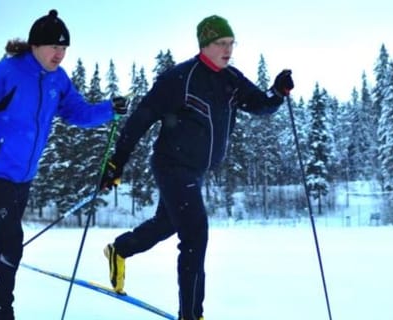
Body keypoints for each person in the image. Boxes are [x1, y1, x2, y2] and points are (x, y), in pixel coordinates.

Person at [0, 9, 128, 320]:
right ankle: (3, 314)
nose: (59, 54)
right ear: (35, 46)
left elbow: (77, 112)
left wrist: (108, 109)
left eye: (64, 49)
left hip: (24, 176)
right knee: (13, 243)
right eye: (54, 47)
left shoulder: (57, 80)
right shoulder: (5, 74)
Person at [99, 15, 294, 320]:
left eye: (231, 43)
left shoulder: (232, 80)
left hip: (195, 171)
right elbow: (141, 119)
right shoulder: (180, 79)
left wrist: (278, 94)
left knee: (167, 224)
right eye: (221, 43)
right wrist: (117, 161)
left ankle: (119, 249)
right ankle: (191, 315)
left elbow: (261, 105)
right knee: (195, 233)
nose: (228, 49)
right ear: (205, 45)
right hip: (171, 164)